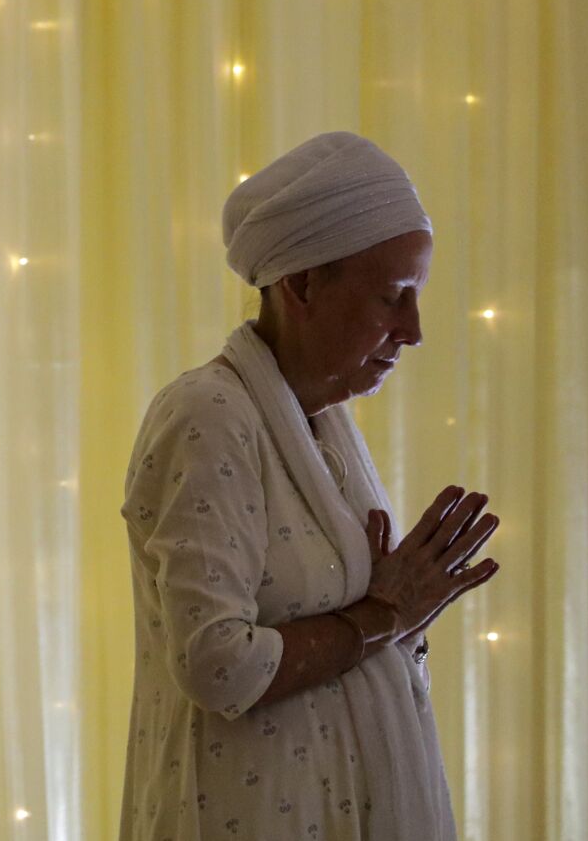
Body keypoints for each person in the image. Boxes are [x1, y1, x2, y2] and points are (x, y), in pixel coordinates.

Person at [119, 132, 501, 839]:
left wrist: (402, 617)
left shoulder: (325, 425)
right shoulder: (209, 414)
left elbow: (357, 638)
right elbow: (218, 665)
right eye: (393, 297)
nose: (412, 330)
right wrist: (381, 617)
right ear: (299, 285)